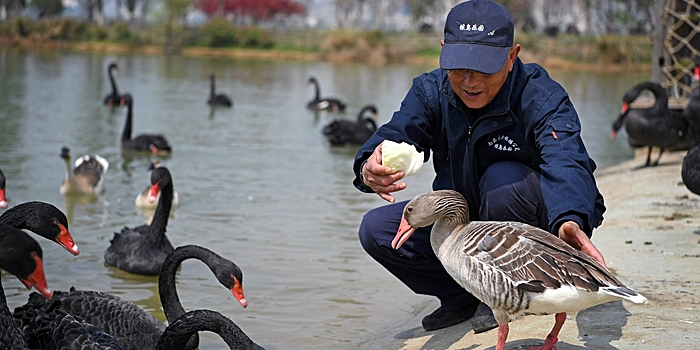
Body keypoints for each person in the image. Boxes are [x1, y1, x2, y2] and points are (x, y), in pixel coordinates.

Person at [352, 0, 607, 333]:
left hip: (530, 226)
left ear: (512, 56)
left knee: (503, 180)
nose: (469, 82)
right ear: (444, 51)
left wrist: (570, 218)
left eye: (484, 68)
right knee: (378, 230)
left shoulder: (541, 97)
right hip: (465, 225)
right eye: (458, 67)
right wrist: (369, 165)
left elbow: (568, 161)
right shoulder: (431, 91)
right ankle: (459, 296)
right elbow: (396, 133)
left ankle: (505, 299)